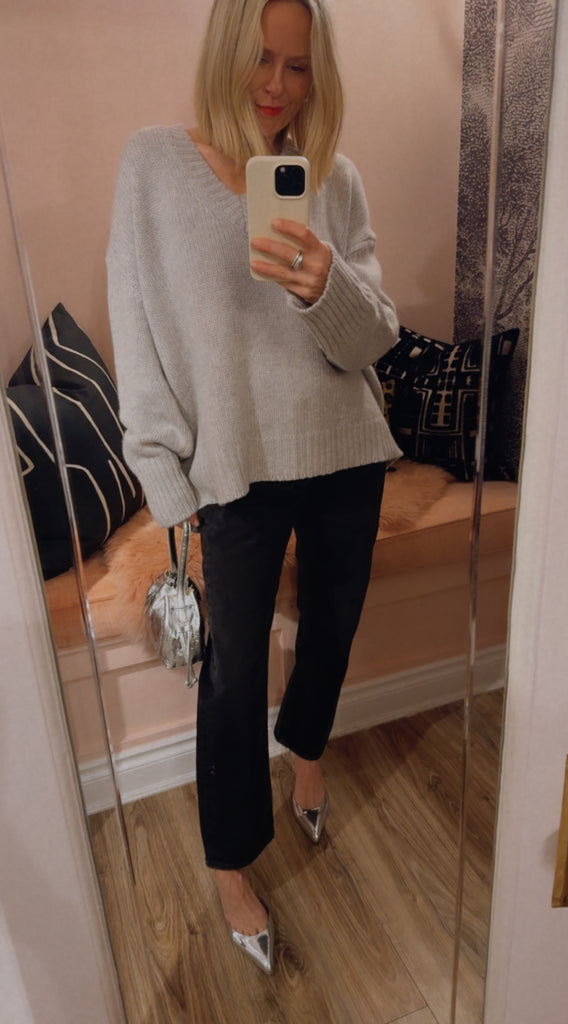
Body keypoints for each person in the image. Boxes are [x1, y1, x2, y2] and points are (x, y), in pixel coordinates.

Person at [107, 0, 401, 975]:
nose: (277, 85)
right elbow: (137, 330)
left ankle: (307, 753)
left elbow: (373, 339)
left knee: (332, 626)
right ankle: (232, 862)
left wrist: (324, 284)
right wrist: (164, 479)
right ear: (227, 53)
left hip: (344, 449)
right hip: (232, 467)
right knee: (230, 676)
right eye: (261, 59)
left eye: (299, 67)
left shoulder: (334, 179)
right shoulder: (154, 165)